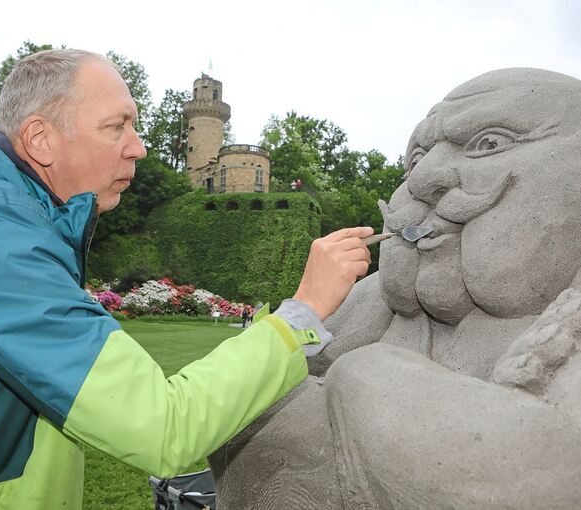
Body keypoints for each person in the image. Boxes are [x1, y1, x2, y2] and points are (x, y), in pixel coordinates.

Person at [0, 49, 373, 509]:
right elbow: (164, 425)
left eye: (135, 125)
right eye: (115, 126)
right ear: (40, 139)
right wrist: (304, 310)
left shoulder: (16, 220)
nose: (139, 147)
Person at [210, 68, 581, 509]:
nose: (422, 180)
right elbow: (226, 395)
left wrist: (364, 380)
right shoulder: (375, 301)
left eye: (489, 144)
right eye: (418, 158)